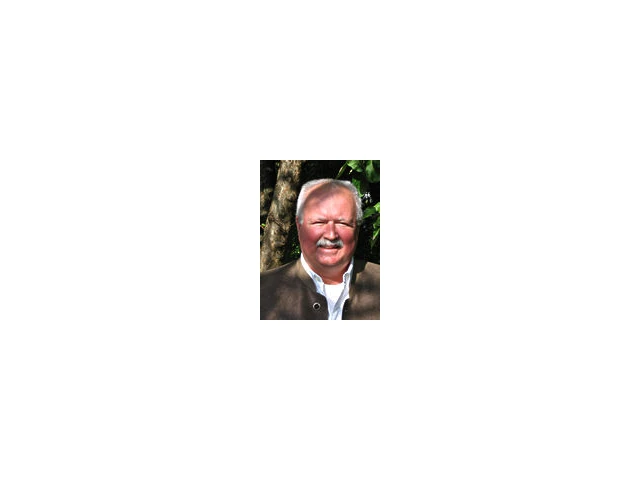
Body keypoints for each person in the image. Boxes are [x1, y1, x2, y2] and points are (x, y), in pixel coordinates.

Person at [260, 178, 380, 320]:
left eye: (342, 223)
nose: (331, 235)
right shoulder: (262, 291)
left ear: (357, 229)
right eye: (319, 222)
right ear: (299, 226)